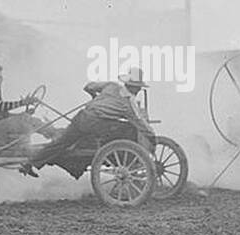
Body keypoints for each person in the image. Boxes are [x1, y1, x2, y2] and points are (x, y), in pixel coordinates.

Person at [23, 68, 154, 178]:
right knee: (130, 129)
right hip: (95, 123)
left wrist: (94, 97)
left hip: (82, 117)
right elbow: (139, 122)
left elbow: (88, 86)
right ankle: (119, 157)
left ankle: (31, 163)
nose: (137, 91)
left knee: (61, 143)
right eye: (137, 87)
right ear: (132, 87)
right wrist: (152, 136)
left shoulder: (111, 86)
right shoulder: (128, 103)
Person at [0, 64, 55, 151]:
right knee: (26, 120)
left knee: (26, 118)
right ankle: (53, 134)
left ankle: (52, 133)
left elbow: (3, 114)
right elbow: (1, 106)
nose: (1, 80)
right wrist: (23, 102)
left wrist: (21, 114)